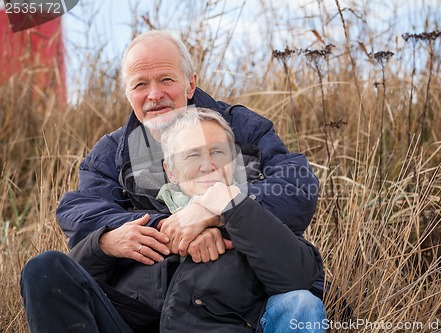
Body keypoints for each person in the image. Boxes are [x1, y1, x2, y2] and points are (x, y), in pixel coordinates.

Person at [42, 29, 325, 328]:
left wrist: (213, 211)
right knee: (45, 271)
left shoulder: (243, 128)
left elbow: (296, 188)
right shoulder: (110, 153)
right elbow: (82, 214)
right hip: (150, 300)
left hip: (242, 293)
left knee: (300, 302)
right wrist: (168, 227)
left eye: (166, 79)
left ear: (190, 83)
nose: (154, 95)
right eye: (140, 84)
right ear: (128, 93)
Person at [20, 108, 326, 332]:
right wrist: (103, 245)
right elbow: (73, 291)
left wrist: (226, 209)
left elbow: (299, 278)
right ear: (170, 171)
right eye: (192, 156)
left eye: (218, 152)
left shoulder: (252, 215)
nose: (208, 164)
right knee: (44, 268)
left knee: (302, 303)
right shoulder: (137, 214)